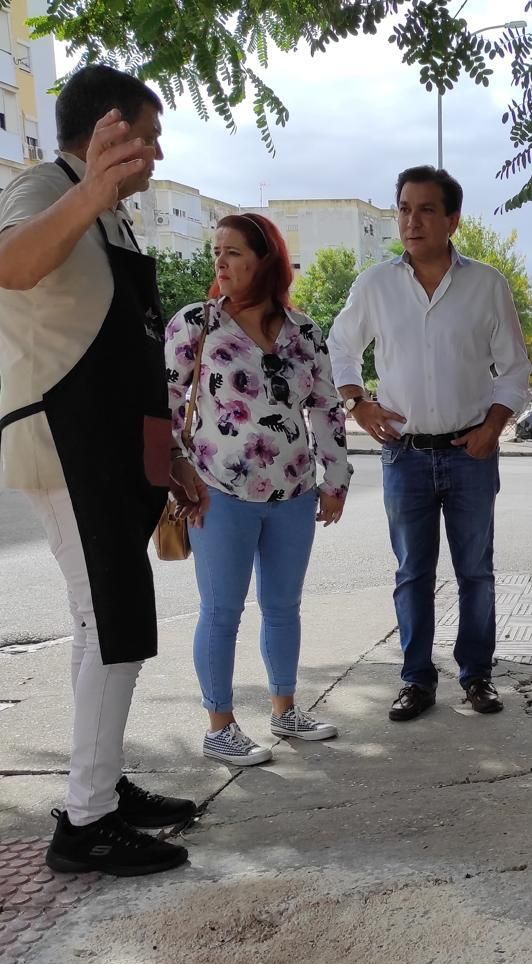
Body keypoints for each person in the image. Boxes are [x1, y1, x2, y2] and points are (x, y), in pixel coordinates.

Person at [0, 65, 207, 876]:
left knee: (103, 627)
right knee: (110, 627)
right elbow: (10, 265)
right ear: (106, 129)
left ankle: (101, 786)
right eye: (146, 135)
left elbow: (127, 349)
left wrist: (169, 454)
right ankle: (86, 822)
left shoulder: (108, 213)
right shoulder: (44, 188)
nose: (156, 153)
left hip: (110, 449)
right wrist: (87, 194)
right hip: (64, 446)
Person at [327, 166, 531, 722]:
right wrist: (357, 402)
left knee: (476, 572)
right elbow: (340, 347)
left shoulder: (486, 285)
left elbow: (514, 368)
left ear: (452, 219)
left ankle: (477, 675)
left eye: (425, 210)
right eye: (404, 209)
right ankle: (416, 679)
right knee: (412, 573)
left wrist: (494, 426)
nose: (411, 221)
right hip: (405, 454)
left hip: (471, 454)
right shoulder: (375, 285)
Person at [163, 214, 352, 766]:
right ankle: (219, 725)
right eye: (216, 252)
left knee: (284, 607)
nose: (220, 263)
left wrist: (335, 480)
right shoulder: (196, 324)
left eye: (234, 252)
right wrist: (176, 472)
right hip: (217, 492)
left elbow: (326, 407)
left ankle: (285, 709)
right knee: (221, 611)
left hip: (294, 492)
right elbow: (164, 403)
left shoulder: (303, 332)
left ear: (265, 259)